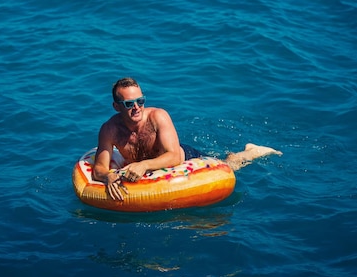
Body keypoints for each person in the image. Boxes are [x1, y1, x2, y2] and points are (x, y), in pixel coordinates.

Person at [93, 77, 282, 201]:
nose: (136, 107)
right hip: (150, 170)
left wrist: (144, 165)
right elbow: (99, 168)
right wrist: (108, 176)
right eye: (129, 104)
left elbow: (174, 156)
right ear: (116, 107)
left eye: (140, 101)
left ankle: (250, 152)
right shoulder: (109, 130)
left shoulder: (158, 117)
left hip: (185, 159)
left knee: (229, 165)